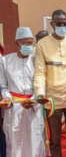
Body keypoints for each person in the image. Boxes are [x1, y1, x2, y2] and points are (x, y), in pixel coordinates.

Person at [34, 9, 66, 157]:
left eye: (65, 24)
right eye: (59, 24)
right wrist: (40, 93)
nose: (62, 26)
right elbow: (40, 72)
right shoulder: (42, 44)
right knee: (54, 139)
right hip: (51, 100)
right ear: (52, 24)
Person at [0, 27, 45, 157]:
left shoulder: (36, 61)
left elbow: (41, 84)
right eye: (25, 43)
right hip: (14, 109)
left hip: (33, 107)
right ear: (16, 43)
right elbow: (4, 86)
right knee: (15, 143)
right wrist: (7, 98)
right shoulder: (5, 61)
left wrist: (34, 99)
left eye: (31, 43)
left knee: (35, 141)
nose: (28, 46)